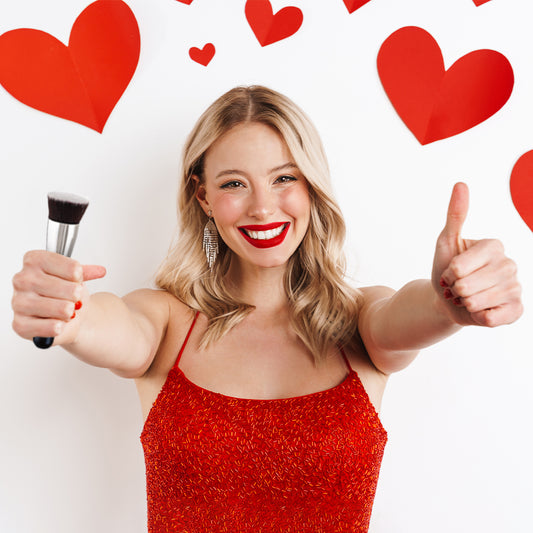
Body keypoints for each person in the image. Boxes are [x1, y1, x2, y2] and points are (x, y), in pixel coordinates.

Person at [11, 86, 523, 532]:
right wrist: (69, 316)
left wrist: (446, 301)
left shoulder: (359, 325)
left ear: (312, 186)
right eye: (234, 183)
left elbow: (408, 314)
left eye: (284, 178)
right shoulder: (166, 321)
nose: (262, 207)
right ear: (204, 196)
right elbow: (111, 326)